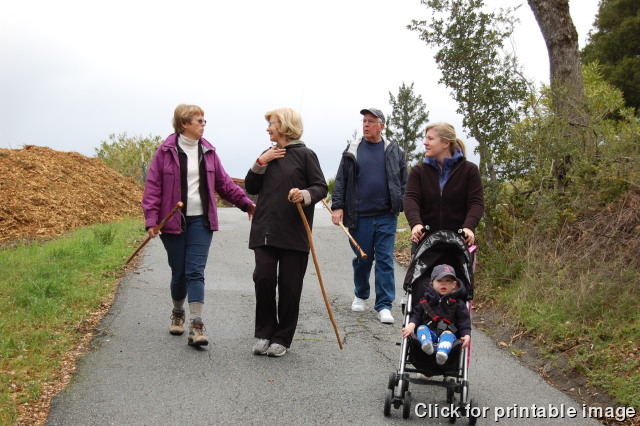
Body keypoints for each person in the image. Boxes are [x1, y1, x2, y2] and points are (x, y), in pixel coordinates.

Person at [142, 104, 255, 347]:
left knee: (195, 271)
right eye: (199, 120)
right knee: (179, 272)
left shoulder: (209, 152)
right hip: (172, 220)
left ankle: (196, 324)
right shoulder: (165, 152)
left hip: (201, 221)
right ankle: (177, 311)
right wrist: (151, 220)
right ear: (184, 124)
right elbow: (153, 187)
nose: (204, 124)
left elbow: (225, 184)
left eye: (204, 120)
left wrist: (247, 205)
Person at [245, 107, 327, 358]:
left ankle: (282, 338)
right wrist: (261, 162)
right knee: (263, 278)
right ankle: (264, 333)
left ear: (285, 126)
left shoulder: (306, 155)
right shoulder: (267, 154)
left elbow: (320, 187)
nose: (268, 128)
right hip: (265, 231)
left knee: (290, 287)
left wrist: (304, 195)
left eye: (272, 124)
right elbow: (251, 187)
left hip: (294, 233)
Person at [331, 108, 407, 324]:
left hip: (386, 215)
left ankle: (384, 305)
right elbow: (341, 180)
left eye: (371, 121)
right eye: (364, 121)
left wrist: (400, 203)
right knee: (363, 258)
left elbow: (404, 181)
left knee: (385, 259)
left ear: (382, 126)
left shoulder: (394, 151)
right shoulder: (352, 150)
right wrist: (337, 207)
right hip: (359, 216)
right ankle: (360, 294)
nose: (366, 125)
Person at [403, 122, 484, 246]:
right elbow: (411, 198)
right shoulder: (418, 171)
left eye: (430, 138)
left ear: (446, 143)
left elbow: (476, 202)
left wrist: (469, 227)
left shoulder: (469, 170)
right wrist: (416, 224)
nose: (425, 143)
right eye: (425, 138)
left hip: (460, 243)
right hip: (426, 243)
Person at [401, 264, 471, 365]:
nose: (443, 284)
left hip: (448, 334)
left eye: (448, 281)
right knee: (421, 328)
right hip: (429, 332)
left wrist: (466, 335)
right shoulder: (425, 300)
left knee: (448, 334)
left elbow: (464, 322)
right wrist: (411, 325)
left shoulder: (458, 304)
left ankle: (442, 353)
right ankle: (426, 344)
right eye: (439, 280)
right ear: (432, 283)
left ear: (454, 284)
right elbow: (416, 315)